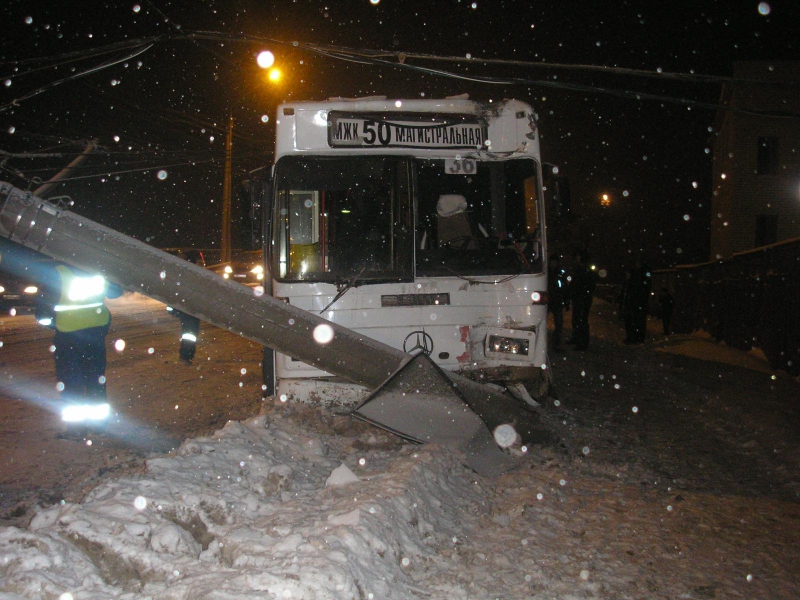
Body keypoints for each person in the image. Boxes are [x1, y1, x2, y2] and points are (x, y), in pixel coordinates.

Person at [35, 261, 123, 436]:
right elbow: (116, 291)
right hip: (95, 333)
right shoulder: (100, 271)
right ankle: (99, 425)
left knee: (70, 382)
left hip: (68, 335)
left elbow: (42, 313)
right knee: (96, 379)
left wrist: (55, 324)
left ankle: (76, 430)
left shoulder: (58, 273)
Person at [167, 251, 201, 364]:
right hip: (189, 308)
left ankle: (187, 355)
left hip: (186, 307)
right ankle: (186, 355)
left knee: (189, 332)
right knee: (190, 333)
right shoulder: (190, 274)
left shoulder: (181, 273)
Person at [569, 248, 596, 351]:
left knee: (582, 320)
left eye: (578, 256)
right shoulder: (579, 268)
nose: (576, 258)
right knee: (576, 318)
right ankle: (576, 338)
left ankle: (583, 342)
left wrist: (582, 294)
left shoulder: (586, 269)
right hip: (579, 297)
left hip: (583, 298)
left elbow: (588, 285)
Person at [622, 258, 652, 344]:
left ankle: (636, 338)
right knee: (636, 322)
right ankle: (635, 338)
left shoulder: (637, 281)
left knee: (637, 322)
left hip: (637, 304)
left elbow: (637, 293)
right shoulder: (632, 282)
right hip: (636, 304)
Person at [547, 254, 570, 351]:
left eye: (555, 262)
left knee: (559, 324)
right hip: (547, 301)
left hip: (557, 301)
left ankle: (556, 344)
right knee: (542, 322)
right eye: (552, 262)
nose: (553, 264)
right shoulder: (546, 272)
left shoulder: (560, 273)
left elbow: (565, 289)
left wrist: (566, 302)